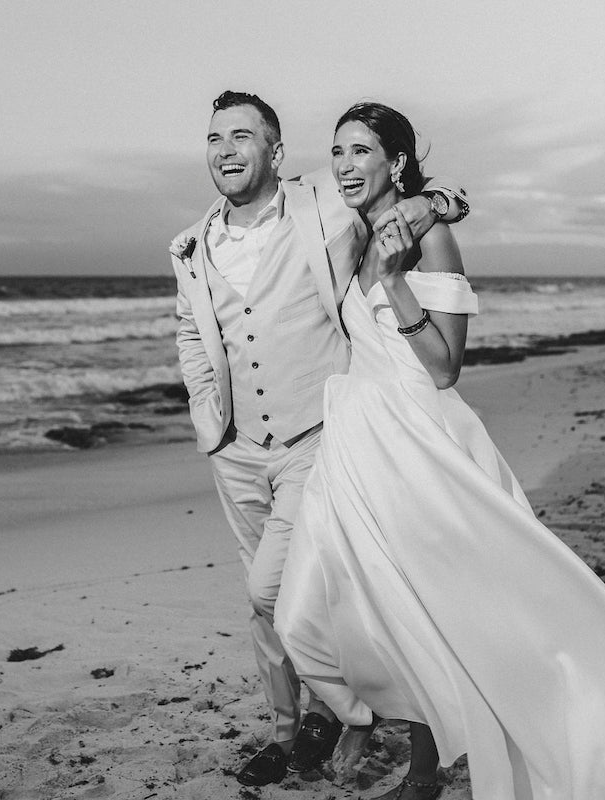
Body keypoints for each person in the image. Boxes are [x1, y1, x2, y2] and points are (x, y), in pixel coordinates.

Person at [273, 102, 605, 800]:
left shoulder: (428, 242)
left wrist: (398, 277)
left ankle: (426, 770)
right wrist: (437, 202)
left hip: (420, 442)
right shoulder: (350, 230)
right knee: (306, 609)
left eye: (360, 151)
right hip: (356, 436)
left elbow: (443, 368)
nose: (344, 165)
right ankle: (359, 714)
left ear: (395, 162)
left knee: (431, 609)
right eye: (337, 151)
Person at [169, 91, 469, 787]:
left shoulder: (326, 206)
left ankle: (340, 708)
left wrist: (435, 205)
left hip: (315, 434)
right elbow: (192, 333)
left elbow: (417, 199)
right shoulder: (191, 242)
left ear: (275, 152)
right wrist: (205, 414)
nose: (225, 150)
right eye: (215, 137)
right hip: (236, 449)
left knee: (274, 588)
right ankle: (287, 732)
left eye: (242, 137)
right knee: (261, 602)